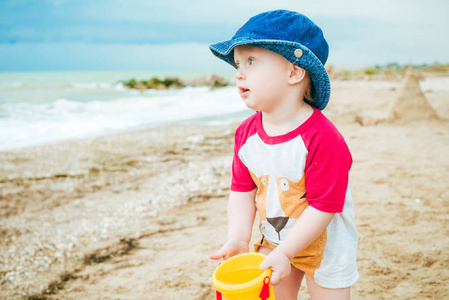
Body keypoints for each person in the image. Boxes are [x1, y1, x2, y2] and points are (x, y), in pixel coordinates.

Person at [208, 10, 359, 299]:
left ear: (293, 72)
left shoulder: (323, 138)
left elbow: (324, 207)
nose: (239, 72)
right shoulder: (246, 135)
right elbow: (242, 190)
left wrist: (288, 251)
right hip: (275, 236)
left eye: (251, 61)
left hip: (325, 243)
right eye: (238, 63)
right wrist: (239, 238)